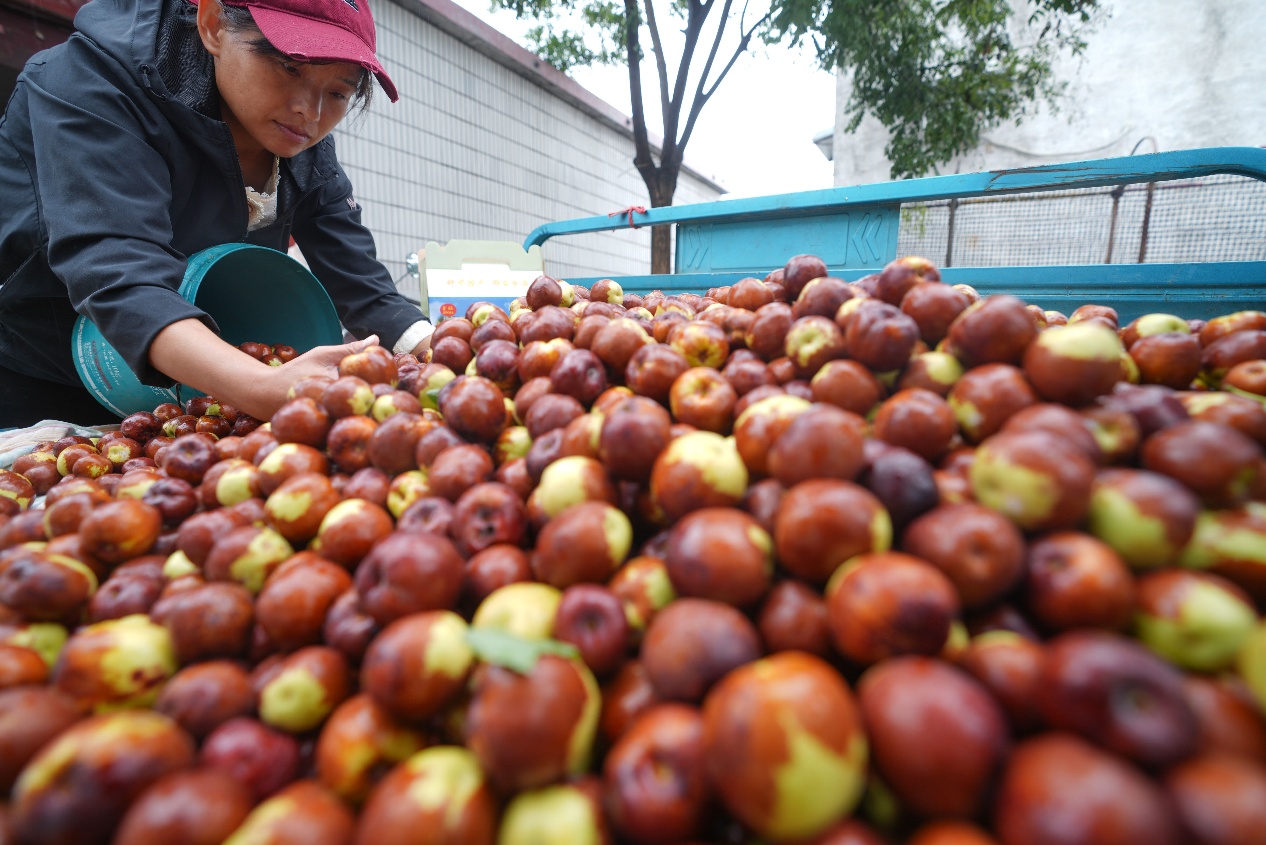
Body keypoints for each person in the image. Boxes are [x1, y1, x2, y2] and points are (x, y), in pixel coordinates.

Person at [0, 0, 433, 429]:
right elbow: (120, 271)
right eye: (290, 67)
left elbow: (362, 284)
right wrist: (260, 387)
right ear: (213, 25)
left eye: (339, 92)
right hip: (41, 365)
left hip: (200, 381)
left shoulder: (300, 140)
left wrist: (444, 351)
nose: (311, 111)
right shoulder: (92, 83)